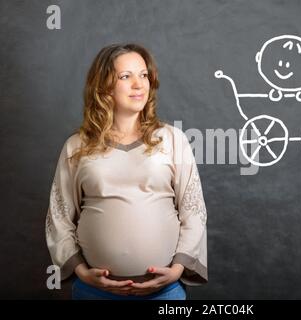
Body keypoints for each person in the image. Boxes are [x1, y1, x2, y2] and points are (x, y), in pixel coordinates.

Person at [45, 43, 207, 300]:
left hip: (164, 292)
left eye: (143, 75)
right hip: (94, 292)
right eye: (125, 76)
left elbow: (194, 211)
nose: (139, 84)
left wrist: (177, 270)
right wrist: (81, 271)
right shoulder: (77, 146)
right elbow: (59, 216)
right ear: (103, 86)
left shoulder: (173, 139)